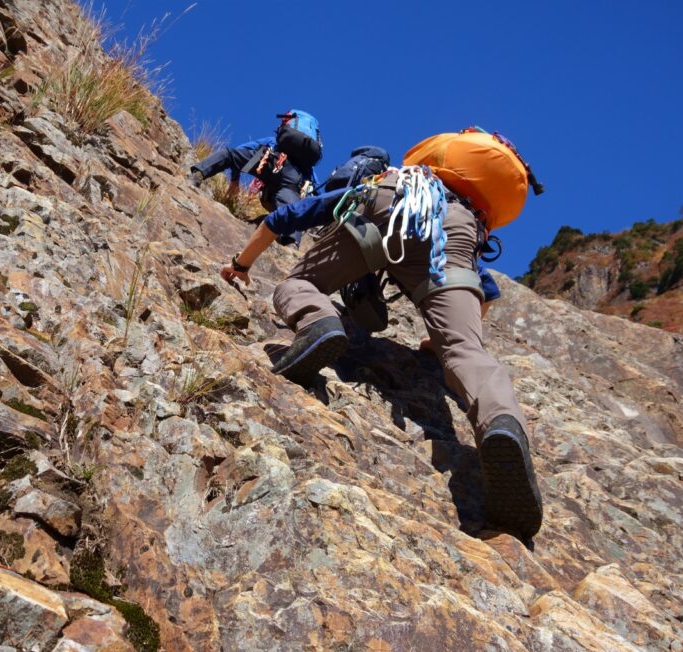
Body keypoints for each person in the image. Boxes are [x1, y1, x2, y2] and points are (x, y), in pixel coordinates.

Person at [219, 128, 545, 543]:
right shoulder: (463, 203)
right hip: (455, 228)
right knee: (466, 352)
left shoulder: (380, 178)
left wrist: (241, 265)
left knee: (297, 286)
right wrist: (437, 342)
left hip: (387, 202)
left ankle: (319, 321)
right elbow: (488, 292)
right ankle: (501, 424)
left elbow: (286, 217)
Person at [190, 110, 322, 245]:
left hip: (268, 160)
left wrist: (235, 180)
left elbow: (237, 152)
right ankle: (290, 242)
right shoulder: (306, 166)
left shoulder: (272, 142)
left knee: (230, 155)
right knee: (290, 207)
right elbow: (317, 191)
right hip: (292, 180)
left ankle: (197, 175)